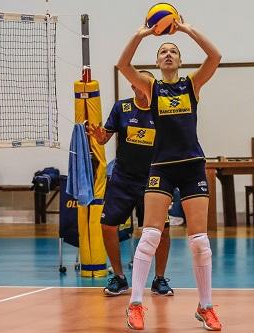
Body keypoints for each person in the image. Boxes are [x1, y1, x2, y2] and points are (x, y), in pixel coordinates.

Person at [117, 16, 222, 331]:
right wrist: (140, 35)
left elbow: (215, 56)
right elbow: (123, 65)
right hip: (161, 166)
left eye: (172, 52)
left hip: (191, 165)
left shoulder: (192, 84)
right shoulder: (151, 86)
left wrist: (188, 29)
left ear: (180, 60)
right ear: (157, 60)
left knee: (200, 241)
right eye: (162, 51)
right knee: (150, 234)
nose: (167, 55)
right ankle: (135, 304)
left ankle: (206, 307)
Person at [88, 73, 174, 298]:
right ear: (133, 87)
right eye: (138, 84)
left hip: (154, 180)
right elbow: (104, 137)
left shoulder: (162, 109)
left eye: (146, 85)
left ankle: (159, 278)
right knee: (107, 226)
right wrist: (99, 136)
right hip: (123, 180)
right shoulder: (121, 108)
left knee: (162, 231)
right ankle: (119, 277)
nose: (142, 88)